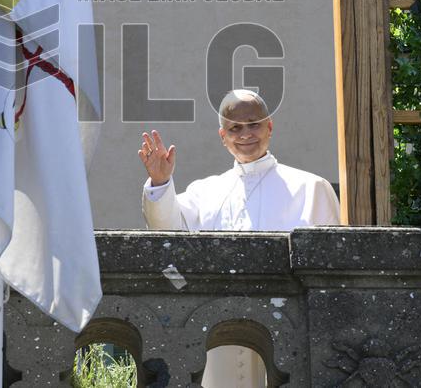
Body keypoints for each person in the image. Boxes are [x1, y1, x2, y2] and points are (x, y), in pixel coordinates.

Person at [139, 89, 339, 387]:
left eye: (254, 124)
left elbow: (330, 274)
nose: (245, 134)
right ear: (223, 136)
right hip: (219, 335)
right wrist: (160, 182)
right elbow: (169, 231)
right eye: (235, 128)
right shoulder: (205, 191)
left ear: (269, 127)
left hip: (289, 331)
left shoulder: (311, 188)